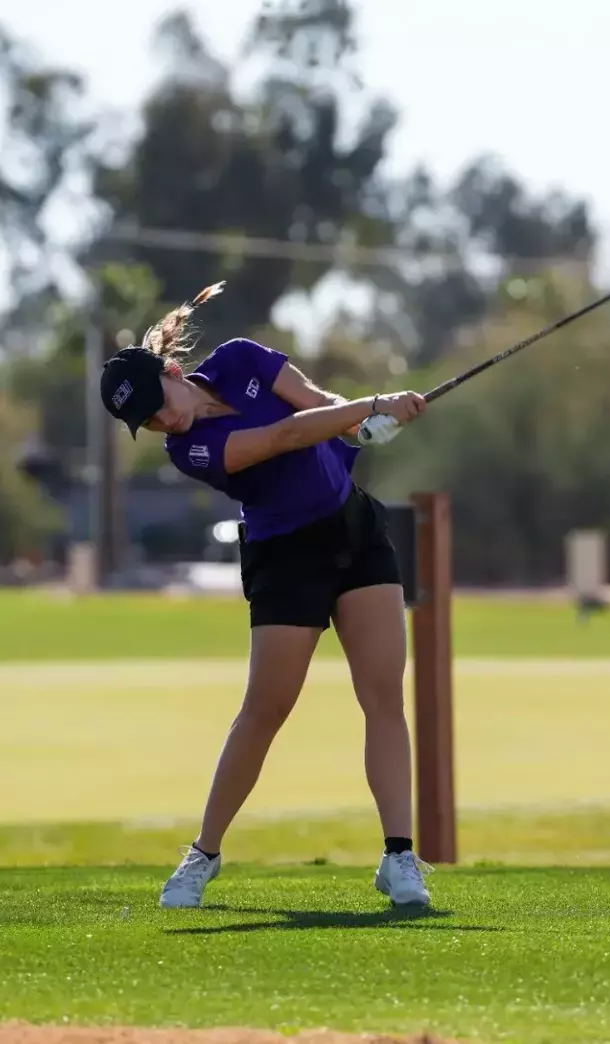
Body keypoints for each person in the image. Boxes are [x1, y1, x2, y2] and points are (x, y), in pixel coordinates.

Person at [100, 282, 433, 909]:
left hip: (354, 531)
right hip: (286, 557)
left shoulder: (243, 358)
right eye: (146, 420)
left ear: (173, 370)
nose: (162, 419)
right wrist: (369, 405)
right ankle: (204, 854)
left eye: (158, 403)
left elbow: (317, 405)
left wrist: (363, 424)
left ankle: (398, 856)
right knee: (266, 709)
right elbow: (284, 439)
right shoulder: (188, 449)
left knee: (384, 693)